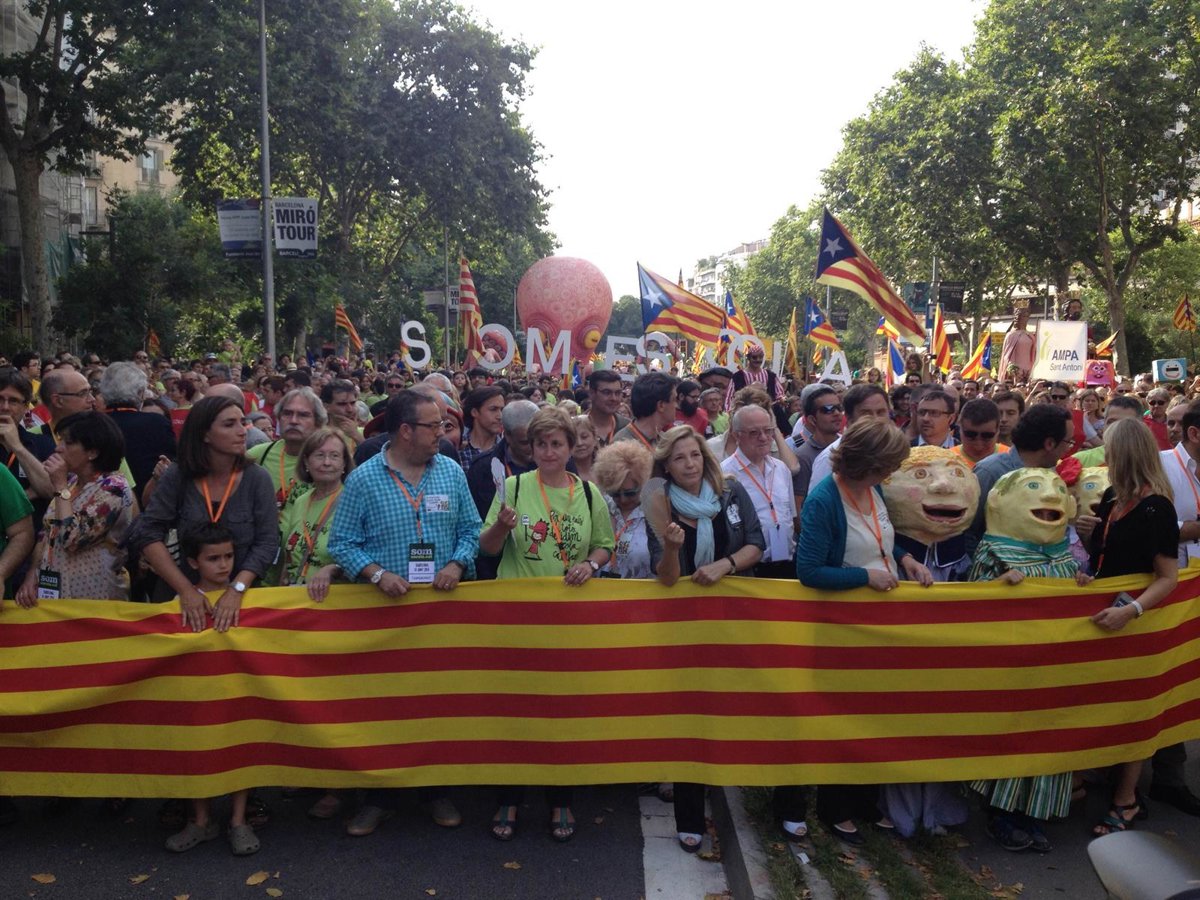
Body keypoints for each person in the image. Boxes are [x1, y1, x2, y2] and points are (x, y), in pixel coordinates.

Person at [327, 390, 479, 838]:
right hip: (385, 618)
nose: (443, 433)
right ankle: (380, 797)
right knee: (385, 706)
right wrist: (376, 574)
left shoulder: (451, 471)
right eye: (434, 426)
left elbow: (471, 529)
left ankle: (436, 790)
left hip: (440, 617)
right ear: (406, 431)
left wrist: (457, 564)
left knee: (437, 703)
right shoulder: (363, 479)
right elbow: (342, 543)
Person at [480, 406, 615, 844]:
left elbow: (604, 546)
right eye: (541, 444)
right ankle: (509, 797)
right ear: (531, 447)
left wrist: (591, 566)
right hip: (516, 618)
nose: (549, 451)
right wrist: (501, 528)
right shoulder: (513, 487)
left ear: (571, 446)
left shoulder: (589, 495)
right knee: (514, 711)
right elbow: (487, 548)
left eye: (557, 443)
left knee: (563, 711)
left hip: (569, 621)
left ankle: (561, 798)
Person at [796, 419, 932, 845]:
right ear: (869, 464)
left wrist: (904, 558)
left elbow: (880, 538)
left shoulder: (873, 489)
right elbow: (809, 571)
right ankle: (835, 805)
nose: (891, 473)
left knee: (876, 712)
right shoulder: (823, 501)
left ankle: (866, 798)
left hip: (879, 628)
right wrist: (864, 577)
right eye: (888, 465)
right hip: (843, 631)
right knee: (844, 717)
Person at [647, 425, 764, 850]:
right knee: (688, 714)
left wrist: (724, 565)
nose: (689, 464)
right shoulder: (658, 502)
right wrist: (672, 548)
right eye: (679, 458)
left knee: (731, 705)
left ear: (705, 457)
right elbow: (665, 577)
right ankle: (690, 816)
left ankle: (732, 780)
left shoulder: (731, 492)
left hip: (733, 620)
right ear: (666, 467)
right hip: (682, 628)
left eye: (694, 455)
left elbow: (757, 543)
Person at [1088, 418, 1180, 835]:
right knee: (1102, 702)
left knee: (1134, 710)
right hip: (1106, 619)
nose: (1102, 454)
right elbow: (1105, 558)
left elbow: (1168, 577)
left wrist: (1133, 611)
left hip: (1137, 624)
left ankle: (1126, 800)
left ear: (1124, 454)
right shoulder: (1112, 497)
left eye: (1108, 448)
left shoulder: (1157, 507)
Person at [128, 395, 279, 624]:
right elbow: (148, 532)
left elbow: (267, 542)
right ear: (204, 434)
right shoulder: (178, 475)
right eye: (229, 424)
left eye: (242, 422)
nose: (242, 431)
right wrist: (186, 590)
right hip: (180, 597)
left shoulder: (257, 478)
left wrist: (237, 589)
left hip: (241, 600)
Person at [161, 523, 261, 856]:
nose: (223, 565)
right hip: (198, 694)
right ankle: (201, 821)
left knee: (241, 748)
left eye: (229, 556)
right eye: (213, 558)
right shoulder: (181, 601)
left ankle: (238, 821)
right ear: (193, 562)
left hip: (238, 691)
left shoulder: (251, 599)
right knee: (196, 748)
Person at [15, 412, 135, 604]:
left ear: (92, 452)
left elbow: (70, 538)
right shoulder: (72, 483)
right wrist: (32, 574)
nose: (58, 448)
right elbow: (46, 533)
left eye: (68, 443)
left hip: (94, 597)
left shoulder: (113, 488)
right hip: (54, 592)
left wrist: (59, 486)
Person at [968, 404, 1073, 554]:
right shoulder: (991, 471)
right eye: (1068, 442)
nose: (1068, 449)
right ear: (1050, 443)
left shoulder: (1053, 477)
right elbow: (968, 532)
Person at [721, 404, 797, 578]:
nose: (763, 438)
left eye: (768, 431)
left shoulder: (781, 468)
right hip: (750, 570)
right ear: (736, 435)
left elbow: (791, 515)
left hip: (787, 562)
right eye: (754, 433)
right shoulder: (725, 474)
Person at [279, 428, 354, 599]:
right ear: (306, 462)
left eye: (334, 456)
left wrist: (332, 569)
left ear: (344, 464)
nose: (326, 462)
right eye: (319, 455)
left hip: (334, 601)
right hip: (297, 597)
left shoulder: (353, 501)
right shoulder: (300, 501)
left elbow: (367, 554)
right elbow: (291, 551)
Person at [100, 362, 177, 504]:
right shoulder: (156, 422)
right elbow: (171, 463)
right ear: (141, 393)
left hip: (102, 503)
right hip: (149, 503)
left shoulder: (93, 424)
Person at [247, 387, 326, 509]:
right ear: (278, 418)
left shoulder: (328, 460)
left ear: (318, 423)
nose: (293, 421)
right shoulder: (258, 454)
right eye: (287, 414)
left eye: (303, 415)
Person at [809, 384, 893, 490]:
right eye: (866, 413)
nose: (875, 419)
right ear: (849, 418)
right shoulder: (830, 459)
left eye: (881, 412)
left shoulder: (894, 449)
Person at [593, 441, 654, 579]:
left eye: (630, 493)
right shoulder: (600, 506)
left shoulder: (656, 512)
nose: (623, 500)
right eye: (615, 493)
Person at [791, 385, 843, 514]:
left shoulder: (849, 445)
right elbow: (799, 507)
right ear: (812, 419)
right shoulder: (803, 456)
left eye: (838, 408)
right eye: (828, 409)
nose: (837, 413)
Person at [613, 372, 678, 450]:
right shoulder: (622, 446)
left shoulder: (665, 440)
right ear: (661, 405)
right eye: (674, 400)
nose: (676, 405)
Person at [723, 343, 784, 410]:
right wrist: (730, 413)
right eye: (754, 357)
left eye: (760, 357)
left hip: (767, 412)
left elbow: (780, 395)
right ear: (748, 358)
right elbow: (729, 398)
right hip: (744, 412)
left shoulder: (771, 376)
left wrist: (782, 399)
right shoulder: (737, 377)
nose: (758, 360)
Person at [459, 385, 505, 472]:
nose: (500, 416)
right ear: (474, 412)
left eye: (502, 410)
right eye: (493, 409)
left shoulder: (506, 450)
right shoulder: (459, 448)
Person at [953, 398, 1005, 468]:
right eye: (970, 435)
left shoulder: (1011, 459)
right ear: (960, 427)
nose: (978, 446)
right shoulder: (946, 459)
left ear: (998, 429)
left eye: (987, 436)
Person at [586, 369, 630, 447]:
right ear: (592, 393)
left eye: (618, 393)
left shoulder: (628, 428)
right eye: (606, 392)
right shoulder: (575, 427)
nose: (614, 398)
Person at [999, 306, 1035, 382]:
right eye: (1023, 316)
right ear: (1018, 317)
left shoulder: (1030, 335)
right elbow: (1008, 355)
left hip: (1030, 369)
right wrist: (1012, 368)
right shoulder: (1011, 335)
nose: (1025, 319)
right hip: (1017, 370)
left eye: (1027, 316)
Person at [571, 415, 598, 482]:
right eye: (573, 439)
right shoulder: (561, 473)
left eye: (584, 437)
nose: (579, 443)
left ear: (595, 438)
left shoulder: (608, 468)